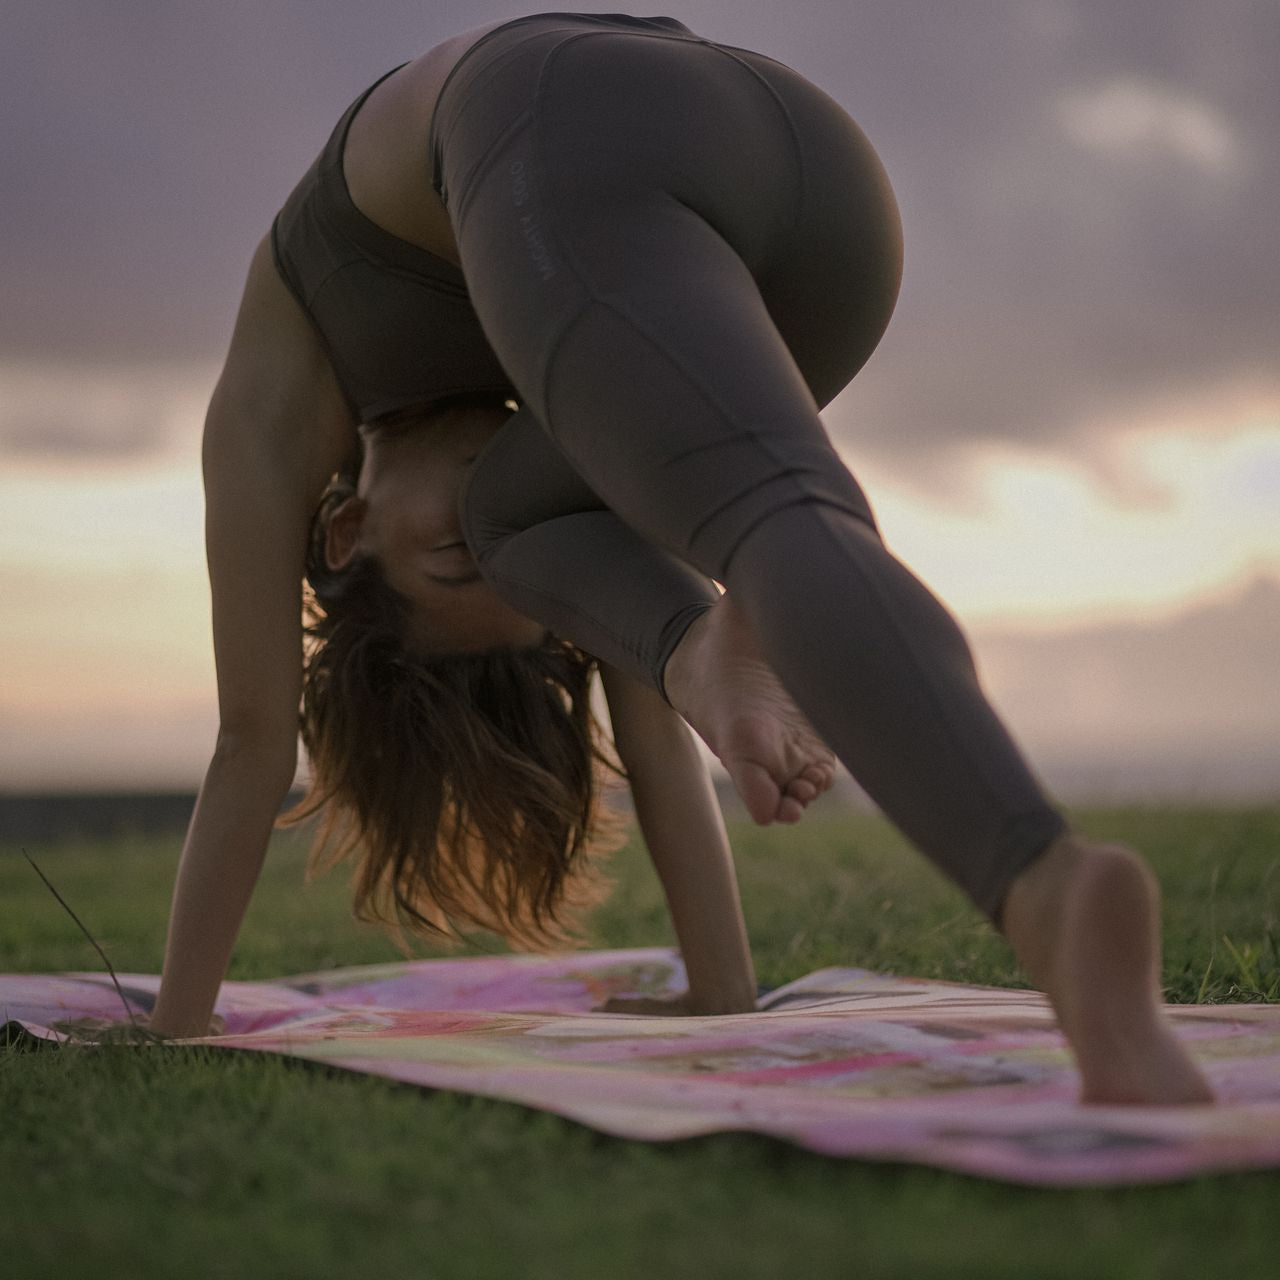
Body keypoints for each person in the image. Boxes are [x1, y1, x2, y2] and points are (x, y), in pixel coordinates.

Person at [149, 12, 1212, 1106]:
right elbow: (652, 743)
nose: (469, 528)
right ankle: (702, 643)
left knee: (751, 515)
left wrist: (176, 1027)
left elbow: (251, 738)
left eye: (447, 555)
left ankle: (1040, 881)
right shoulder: (558, 406)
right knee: (611, 520)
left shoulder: (277, 391)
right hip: (821, 206)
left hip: (567, 123)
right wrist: (720, 989)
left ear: (341, 532)